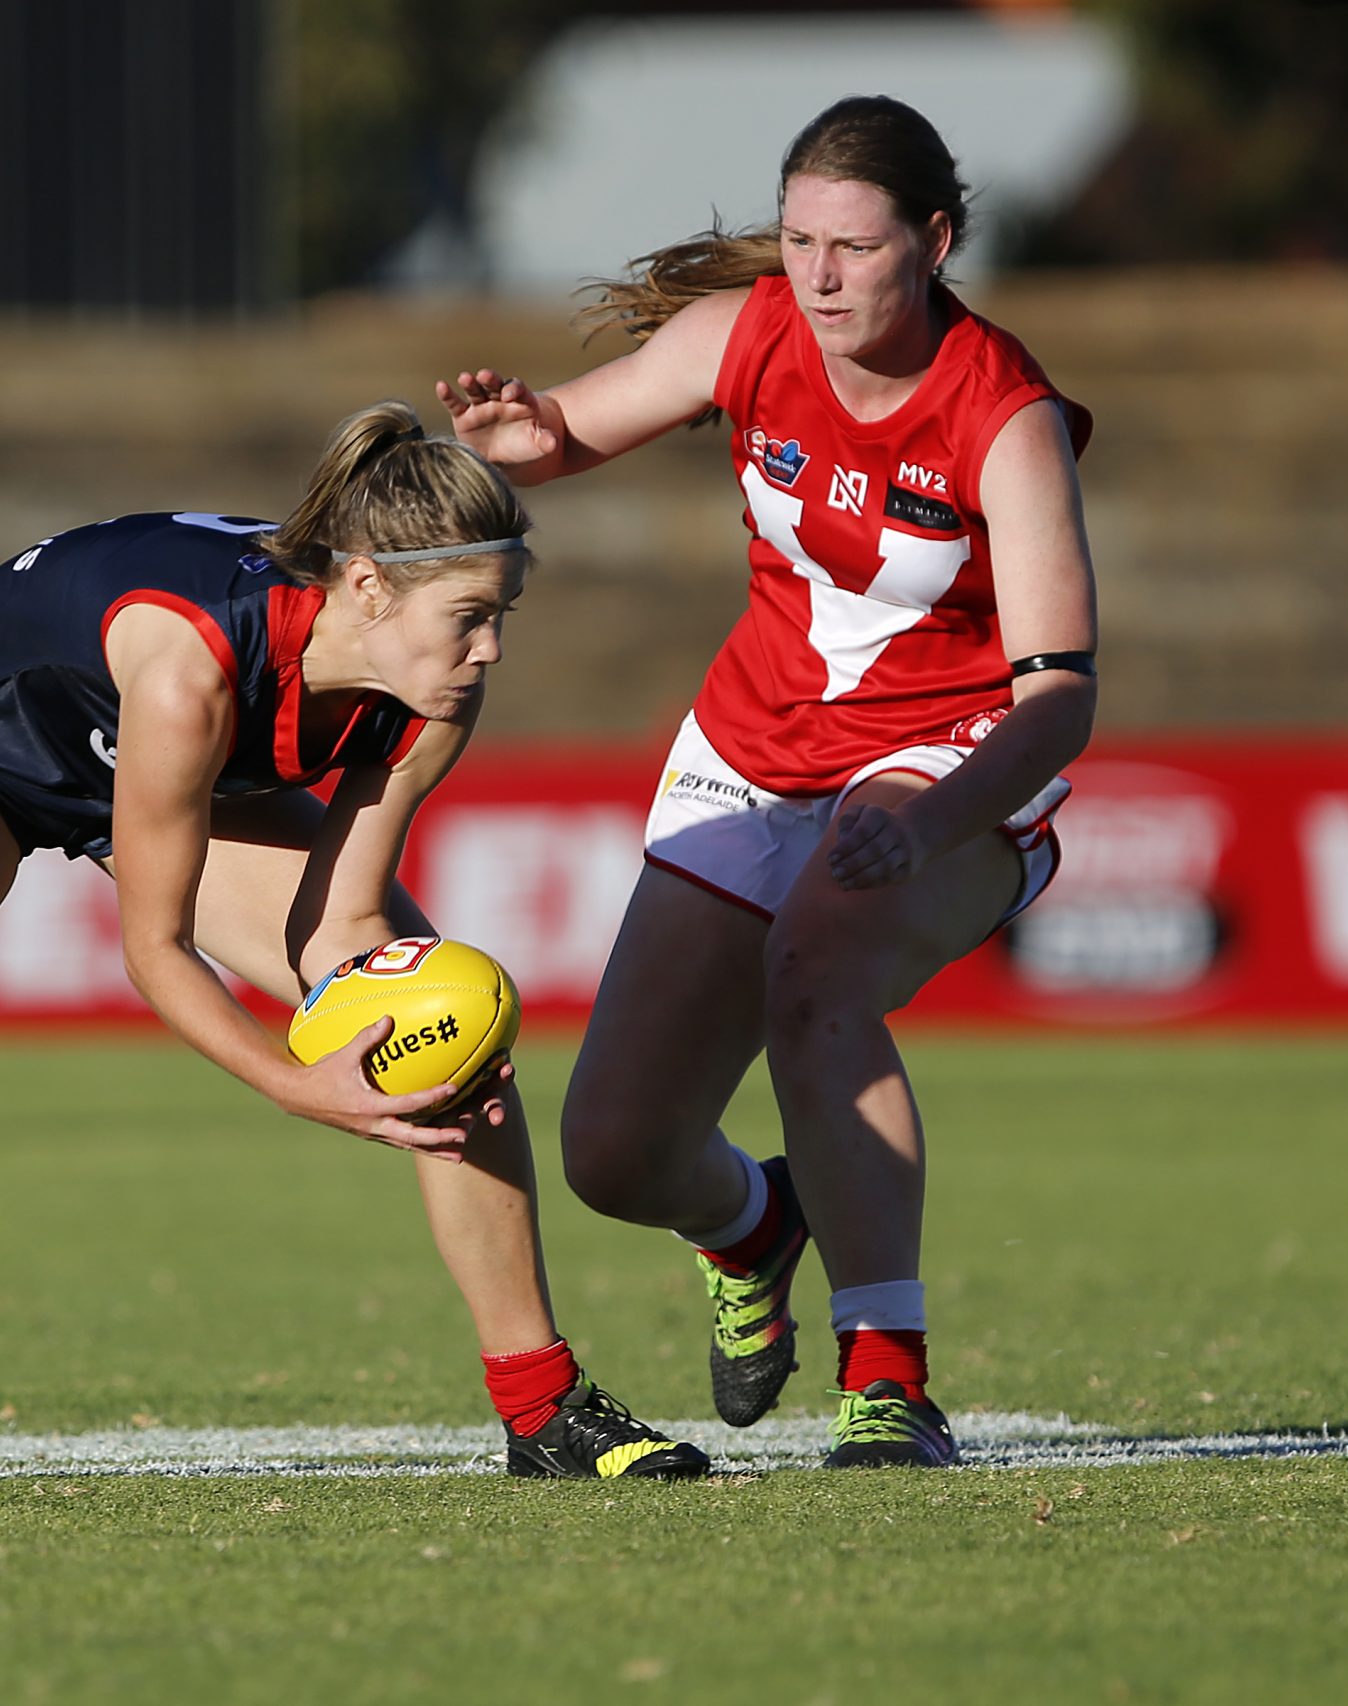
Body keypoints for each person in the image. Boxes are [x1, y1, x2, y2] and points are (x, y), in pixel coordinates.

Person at [0, 403, 709, 1495]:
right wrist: (300, 1085)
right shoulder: (192, 672)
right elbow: (154, 950)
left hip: (163, 773)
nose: (493, 647)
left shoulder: (433, 689)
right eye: (468, 614)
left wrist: (396, 1041)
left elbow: (348, 924)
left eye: (503, 609)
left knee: (445, 1034)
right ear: (364, 584)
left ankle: (542, 1407)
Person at [441, 96, 1096, 1466]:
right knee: (613, 1150)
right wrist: (517, 439)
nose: (819, 275)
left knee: (819, 968)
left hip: (949, 755)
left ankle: (889, 1380)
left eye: (853, 246)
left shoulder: (1005, 414)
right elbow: (565, 432)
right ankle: (753, 1221)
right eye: (799, 240)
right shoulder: (749, 331)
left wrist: (935, 816)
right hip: (754, 746)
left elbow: (1059, 696)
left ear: (935, 239)